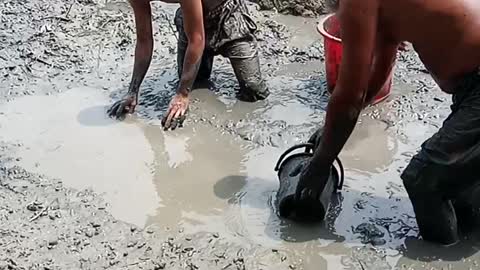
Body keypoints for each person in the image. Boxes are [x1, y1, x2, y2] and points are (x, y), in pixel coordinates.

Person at [290, 0, 480, 246]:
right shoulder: (389, 9)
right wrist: (330, 130)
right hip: (470, 89)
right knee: (459, 189)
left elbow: (349, 95)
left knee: (424, 181)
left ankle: (439, 259)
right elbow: (380, 69)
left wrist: (320, 164)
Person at [107, 0, 270, 129]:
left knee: (253, 90)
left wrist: (182, 95)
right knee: (196, 83)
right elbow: (144, 41)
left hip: (229, 17)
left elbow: (197, 39)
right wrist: (132, 91)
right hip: (190, 20)